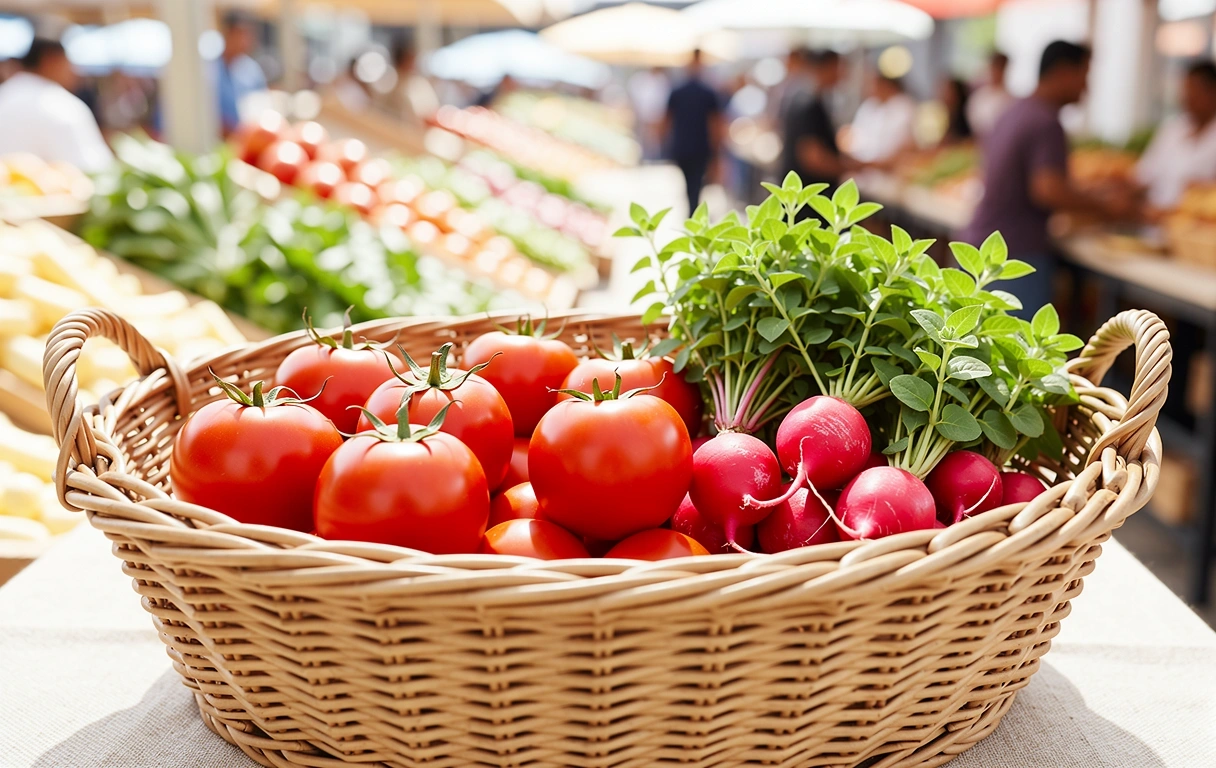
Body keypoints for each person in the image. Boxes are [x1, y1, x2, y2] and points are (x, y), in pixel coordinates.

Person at [960, 41, 1134, 318]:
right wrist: (1106, 206)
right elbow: (1047, 190)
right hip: (1015, 256)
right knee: (1018, 356)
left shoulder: (1014, 111)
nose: (1086, 88)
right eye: (1084, 76)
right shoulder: (1045, 120)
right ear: (1064, 71)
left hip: (984, 249)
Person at [0, 38, 111, 172]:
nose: (73, 71)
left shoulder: (6, 94)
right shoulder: (62, 106)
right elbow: (95, 171)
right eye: (68, 62)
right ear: (51, 60)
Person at [1135, 61, 1216, 212]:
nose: (1188, 98)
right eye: (1186, 90)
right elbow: (1144, 176)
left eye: (1195, 91)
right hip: (1153, 218)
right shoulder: (1172, 129)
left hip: (1198, 224)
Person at [663, 49, 723, 216]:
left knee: (692, 184)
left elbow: (666, 121)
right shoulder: (706, 92)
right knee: (694, 184)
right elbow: (716, 124)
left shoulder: (680, 91)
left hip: (686, 146)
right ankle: (693, 214)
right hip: (697, 146)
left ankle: (692, 213)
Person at [783, 49, 847, 191]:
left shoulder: (800, 96)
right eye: (839, 67)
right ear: (827, 67)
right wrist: (850, 168)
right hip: (811, 195)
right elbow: (813, 157)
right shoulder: (809, 103)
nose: (843, 74)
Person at [215, 12, 267, 136]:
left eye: (249, 35)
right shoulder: (207, 70)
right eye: (240, 34)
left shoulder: (253, 71)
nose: (245, 41)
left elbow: (261, 110)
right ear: (227, 33)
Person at [848, 74, 917, 167]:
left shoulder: (904, 106)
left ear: (886, 85)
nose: (871, 88)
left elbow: (904, 145)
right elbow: (854, 135)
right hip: (863, 169)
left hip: (892, 169)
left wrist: (877, 164)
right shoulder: (868, 106)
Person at [384, 41, 439, 129]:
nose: (413, 63)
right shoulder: (392, 87)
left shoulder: (420, 84)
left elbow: (432, 112)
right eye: (409, 59)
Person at [628, 66, 670, 161]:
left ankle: (654, 157)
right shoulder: (643, 79)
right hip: (647, 114)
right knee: (645, 137)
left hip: (656, 115)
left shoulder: (661, 80)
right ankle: (645, 156)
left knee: (654, 139)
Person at [967, 52, 1011, 139]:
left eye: (1000, 68)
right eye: (994, 68)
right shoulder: (979, 97)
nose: (996, 72)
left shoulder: (1011, 99)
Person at [940, 78, 972, 145]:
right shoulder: (951, 115)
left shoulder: (966, 116)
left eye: (948, 92)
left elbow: (966, 140)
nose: (944, 96)